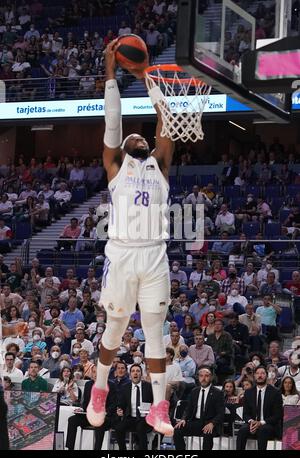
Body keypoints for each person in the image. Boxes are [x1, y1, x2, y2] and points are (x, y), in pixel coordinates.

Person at [87, 39, 175, 436]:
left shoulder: (161, 166)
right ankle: (100, 389)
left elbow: (166, 119)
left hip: (155, 256)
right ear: (122, 151)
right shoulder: (116, 167)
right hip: (122, 256)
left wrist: (147, 77)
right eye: (132, 139)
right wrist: (111, 75)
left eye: (143, 139)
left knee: (156, 333)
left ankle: (159, 407)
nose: (138, 138)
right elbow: (112, 121)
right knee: (115, 330)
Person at [173, 367, 225, 450]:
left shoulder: (218, 393)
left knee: (208, 432)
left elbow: (221, 413)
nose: (203, 378)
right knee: (177, 430)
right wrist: (183, 419)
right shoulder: (194, 391)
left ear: (211, 377)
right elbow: (188, 409)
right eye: (201, 376)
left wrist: (212, 423)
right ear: (198, 377)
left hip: (210, 423)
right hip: (196, 422)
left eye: (206, 376)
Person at [236, 366, 283, 450]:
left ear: (266, 375)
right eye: (257, 373)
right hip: (252, 423)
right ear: (254, 376)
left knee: (262, 430)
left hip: (268, 424)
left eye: (262, 373)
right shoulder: (248, 392)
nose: (260, 375)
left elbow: (278, 415)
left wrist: (261, 423)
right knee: (242, 431)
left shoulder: (275, 392)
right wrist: (251, 422)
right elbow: (245, 414)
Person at [114, 364, 154, 450]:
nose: (135, 373)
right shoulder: (125, 388)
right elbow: (121, 404)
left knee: (140, 427)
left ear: (141, 374)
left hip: (145, 418)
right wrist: (119, 410)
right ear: (130, 375)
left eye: (138, 371)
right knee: (118, 428)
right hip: (131, 418)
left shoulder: (148, 387)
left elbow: (154, 402)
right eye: (133, 371)